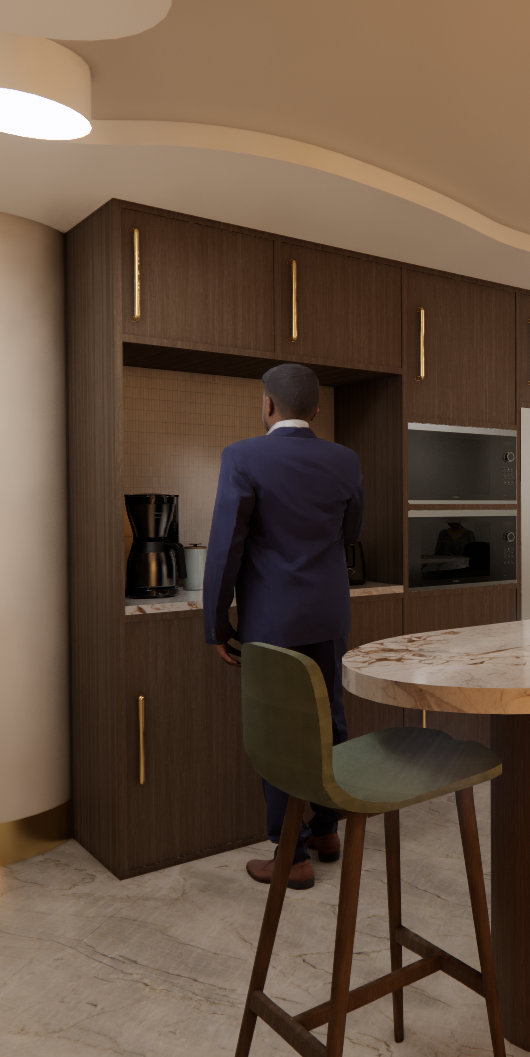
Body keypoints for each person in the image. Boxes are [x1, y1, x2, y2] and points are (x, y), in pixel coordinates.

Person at [203, 363, 363, 890]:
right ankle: (326, 830)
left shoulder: (243, 456)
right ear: (317, 410)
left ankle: (289, 855)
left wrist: (215, 623)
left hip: (272, 619)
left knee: (280, 732)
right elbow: (351, 532)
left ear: (266, 404)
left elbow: (226, 547)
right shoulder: (345, 460)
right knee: (329, 719)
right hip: (329, 612)